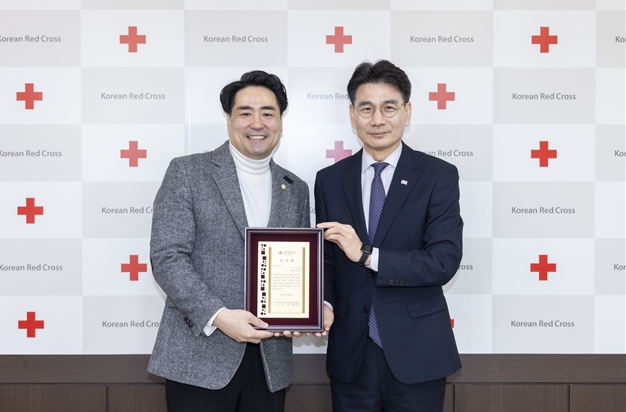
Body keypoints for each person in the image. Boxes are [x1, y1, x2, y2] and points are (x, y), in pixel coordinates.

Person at [148, 70, 311, 412]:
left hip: (269, 363)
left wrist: (302, 311)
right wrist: (219, 316)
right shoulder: (188, 172)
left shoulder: (295, 188)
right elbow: (168, 257)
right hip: (199, 359)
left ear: (280, 121)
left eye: (268, 113)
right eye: (245, 113)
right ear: (229, 119)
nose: (257, 123)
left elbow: (297, 265)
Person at [315, 60, 463, 411]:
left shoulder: (437, 175)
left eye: (389, 107)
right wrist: (323, 304)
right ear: (352, 115)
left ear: (406, 112)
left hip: (418, 353)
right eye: (366, 108)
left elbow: (442, 262)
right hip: (351, 355)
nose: (377, 119)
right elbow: (327, 260)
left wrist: (367, 254)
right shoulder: (329, 180)